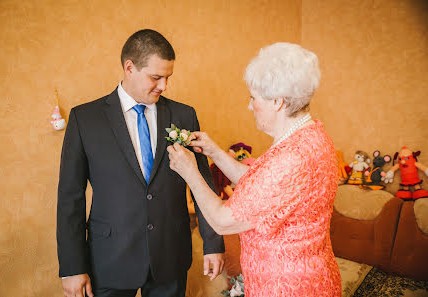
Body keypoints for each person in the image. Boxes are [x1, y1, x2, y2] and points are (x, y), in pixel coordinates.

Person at [57, 29, 225, 297]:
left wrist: (213, 244)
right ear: (129, 67)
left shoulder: (184, 115)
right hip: (108, 260)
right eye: (156, 77)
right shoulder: (85, 119)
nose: (163, 86)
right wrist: (71, 267)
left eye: (168, 78)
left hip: (170, 256)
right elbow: (70, 198)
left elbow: (201, 183)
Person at [167, 42, 342, 296]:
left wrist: (190, 172)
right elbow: (262, 186)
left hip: (288, 287)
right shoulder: (312, 135)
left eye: (254, 98)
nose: (250, 106)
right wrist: (215, 152)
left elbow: (223, 222)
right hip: (316, 276)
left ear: (278, 102)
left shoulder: (291, 157)